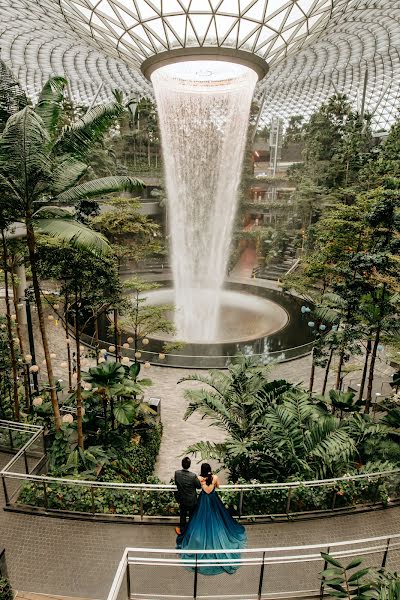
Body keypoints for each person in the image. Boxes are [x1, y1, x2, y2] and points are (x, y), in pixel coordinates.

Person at [176, 463, 247, 576]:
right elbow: (218, 486)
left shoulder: (199, 478)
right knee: (219, 519)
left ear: (202, 470)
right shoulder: (215, 478)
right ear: (210, 470)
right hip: (213, 500)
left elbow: (198, 486)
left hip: (203, 501)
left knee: (199, 520)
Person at [174, 457, 201, 536]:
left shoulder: (177, 473)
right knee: (192, 516)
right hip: (192, 500)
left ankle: (182, 531)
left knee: (182, 515)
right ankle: (191, 530)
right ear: (189, 465)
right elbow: (199, 486)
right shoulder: (193, 476)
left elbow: (177, 483)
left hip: (182, 499)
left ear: (182, 464)